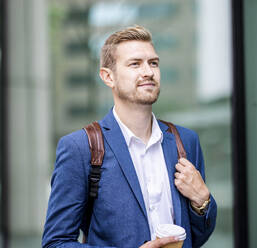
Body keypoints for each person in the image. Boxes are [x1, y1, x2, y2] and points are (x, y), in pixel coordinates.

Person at [42, 25, 217, 248]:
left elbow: (196, 236)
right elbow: (56, 243)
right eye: (135, 64)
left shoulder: (185, 141)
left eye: (153, 63)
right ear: (108, 77)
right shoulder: (80, 147)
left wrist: (202, 201)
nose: (148, 72)